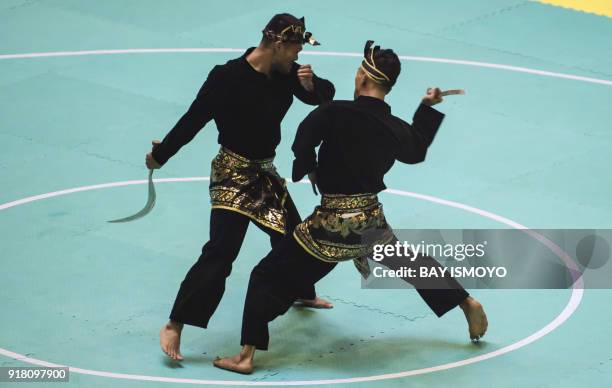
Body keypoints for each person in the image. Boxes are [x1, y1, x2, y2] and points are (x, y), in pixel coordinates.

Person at [213, 40, 488, 374]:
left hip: (327, 228)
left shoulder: (334, 111)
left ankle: (246, 355)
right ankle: (466, 302)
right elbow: (416, 150)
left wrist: (308, 166)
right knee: (412, 263)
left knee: (265, 275)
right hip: (370, 224)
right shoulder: (394, 127)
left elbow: (302, 138)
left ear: (361, 78)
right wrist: (427, 107)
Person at [145, 13, 336, 361]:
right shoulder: (226, 77)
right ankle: (175, 323)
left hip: (265, 174)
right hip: (232, 174)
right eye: (294, 48)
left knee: (294, 238)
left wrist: (312, 86)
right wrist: (161, 155)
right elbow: (193, 119)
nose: (298, 57)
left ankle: (301, 292)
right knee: (221, 253)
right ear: (278, 44)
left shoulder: (288, 73)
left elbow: (326, 96)